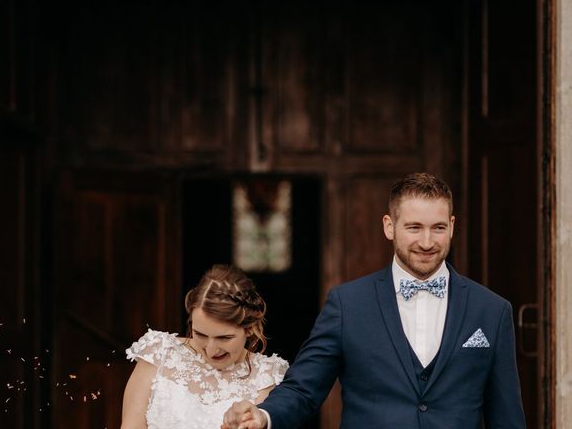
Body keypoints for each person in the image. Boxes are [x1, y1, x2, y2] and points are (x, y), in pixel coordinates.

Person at [223, 173, 525, 429]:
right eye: (414, 227)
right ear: (389, 226)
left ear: (452, 226)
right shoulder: (347, 304)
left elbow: (507, 415)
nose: (427, 242)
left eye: (438, 228)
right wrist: (264, 415)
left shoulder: (492, 310)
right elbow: (304, 389)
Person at [121, 264, 288, 429]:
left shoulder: (267, 377)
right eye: (200, 334)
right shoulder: (159, 353)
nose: (211, 350)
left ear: (250, 329)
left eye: (224, 338)